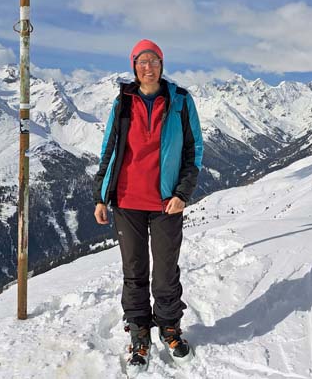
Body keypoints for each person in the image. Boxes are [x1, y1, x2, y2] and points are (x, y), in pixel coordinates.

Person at [93, 39, 203, 373]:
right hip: (126, 201)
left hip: (166, 202)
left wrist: (182, 193)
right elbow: (109, 148)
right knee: (134, 271)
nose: (148, 67)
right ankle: (140, 332)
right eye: (142, 61)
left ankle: (169, 327)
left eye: (154, 60)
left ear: (162, 64)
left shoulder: (181, 100)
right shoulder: (123, 102)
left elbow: (193, 149)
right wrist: (101, 196)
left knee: (166, 271)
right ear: (134, 67)